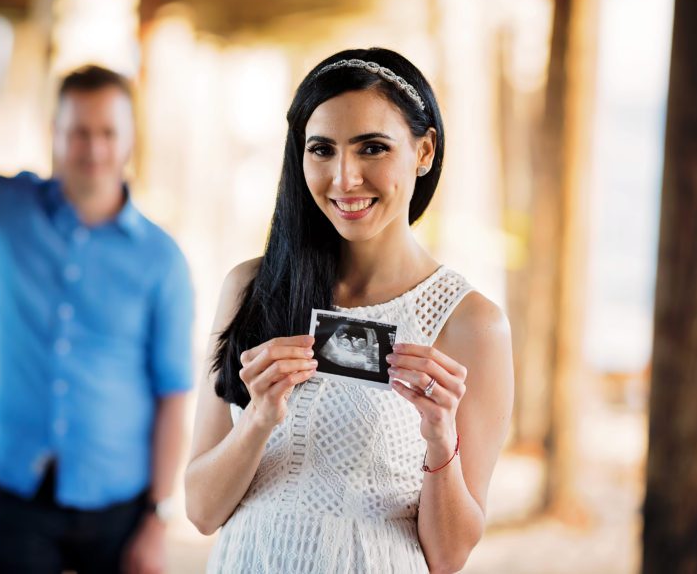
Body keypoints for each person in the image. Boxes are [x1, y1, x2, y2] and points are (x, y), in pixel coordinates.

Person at [0, 0, 194, 574]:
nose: (94, 149)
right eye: (78, 132)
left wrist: (158, 519)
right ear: (54, 135)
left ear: (130, 139)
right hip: (19, 500)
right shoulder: (10, 209)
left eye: (108, 132)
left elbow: (174, 397)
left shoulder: (162, 261)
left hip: (120, 510)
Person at [184, 48, 513, 573]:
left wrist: (439, 435)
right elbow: (201, 511)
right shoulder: (250, 287)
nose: (344, 178)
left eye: (372, 148)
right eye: (322, 150)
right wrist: (258, 421)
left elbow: (448, 557)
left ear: (424, 151)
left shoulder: (470, 323)